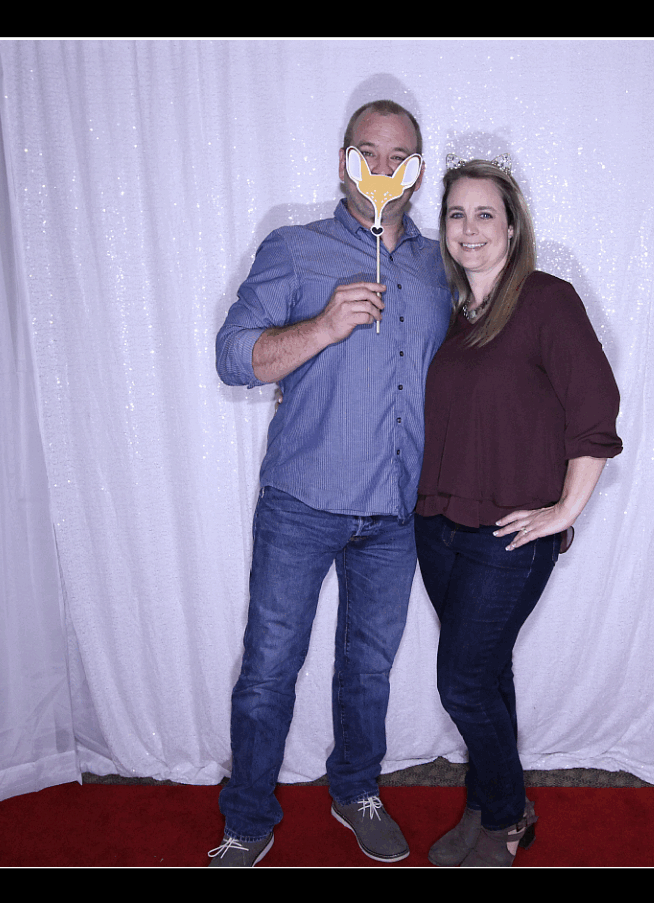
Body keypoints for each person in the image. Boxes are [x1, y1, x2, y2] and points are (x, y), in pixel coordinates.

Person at [209, 101, 450, 867]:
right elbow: (233, 357)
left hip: (397, 511)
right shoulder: (294, 249)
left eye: (399, 157)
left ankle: (354, 789)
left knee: (369, 669)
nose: (382, 169)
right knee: (269, 668)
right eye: (367, 152)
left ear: (418, 171)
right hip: (302, 503)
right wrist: (322, 327)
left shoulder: (440, 268)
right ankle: (248, 820)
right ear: (343, 160)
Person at [415, 158, 622, 867]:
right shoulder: (448, 316)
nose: (469, 228)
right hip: (437, 528)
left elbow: (596, 410)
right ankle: (482, 802)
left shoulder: (545, 300)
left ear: (511, 228)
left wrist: (564, 511)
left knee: (461, 682)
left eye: (485, 214)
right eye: (456, 214)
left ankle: (507, 816)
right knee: (486, 672)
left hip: (508, 536)